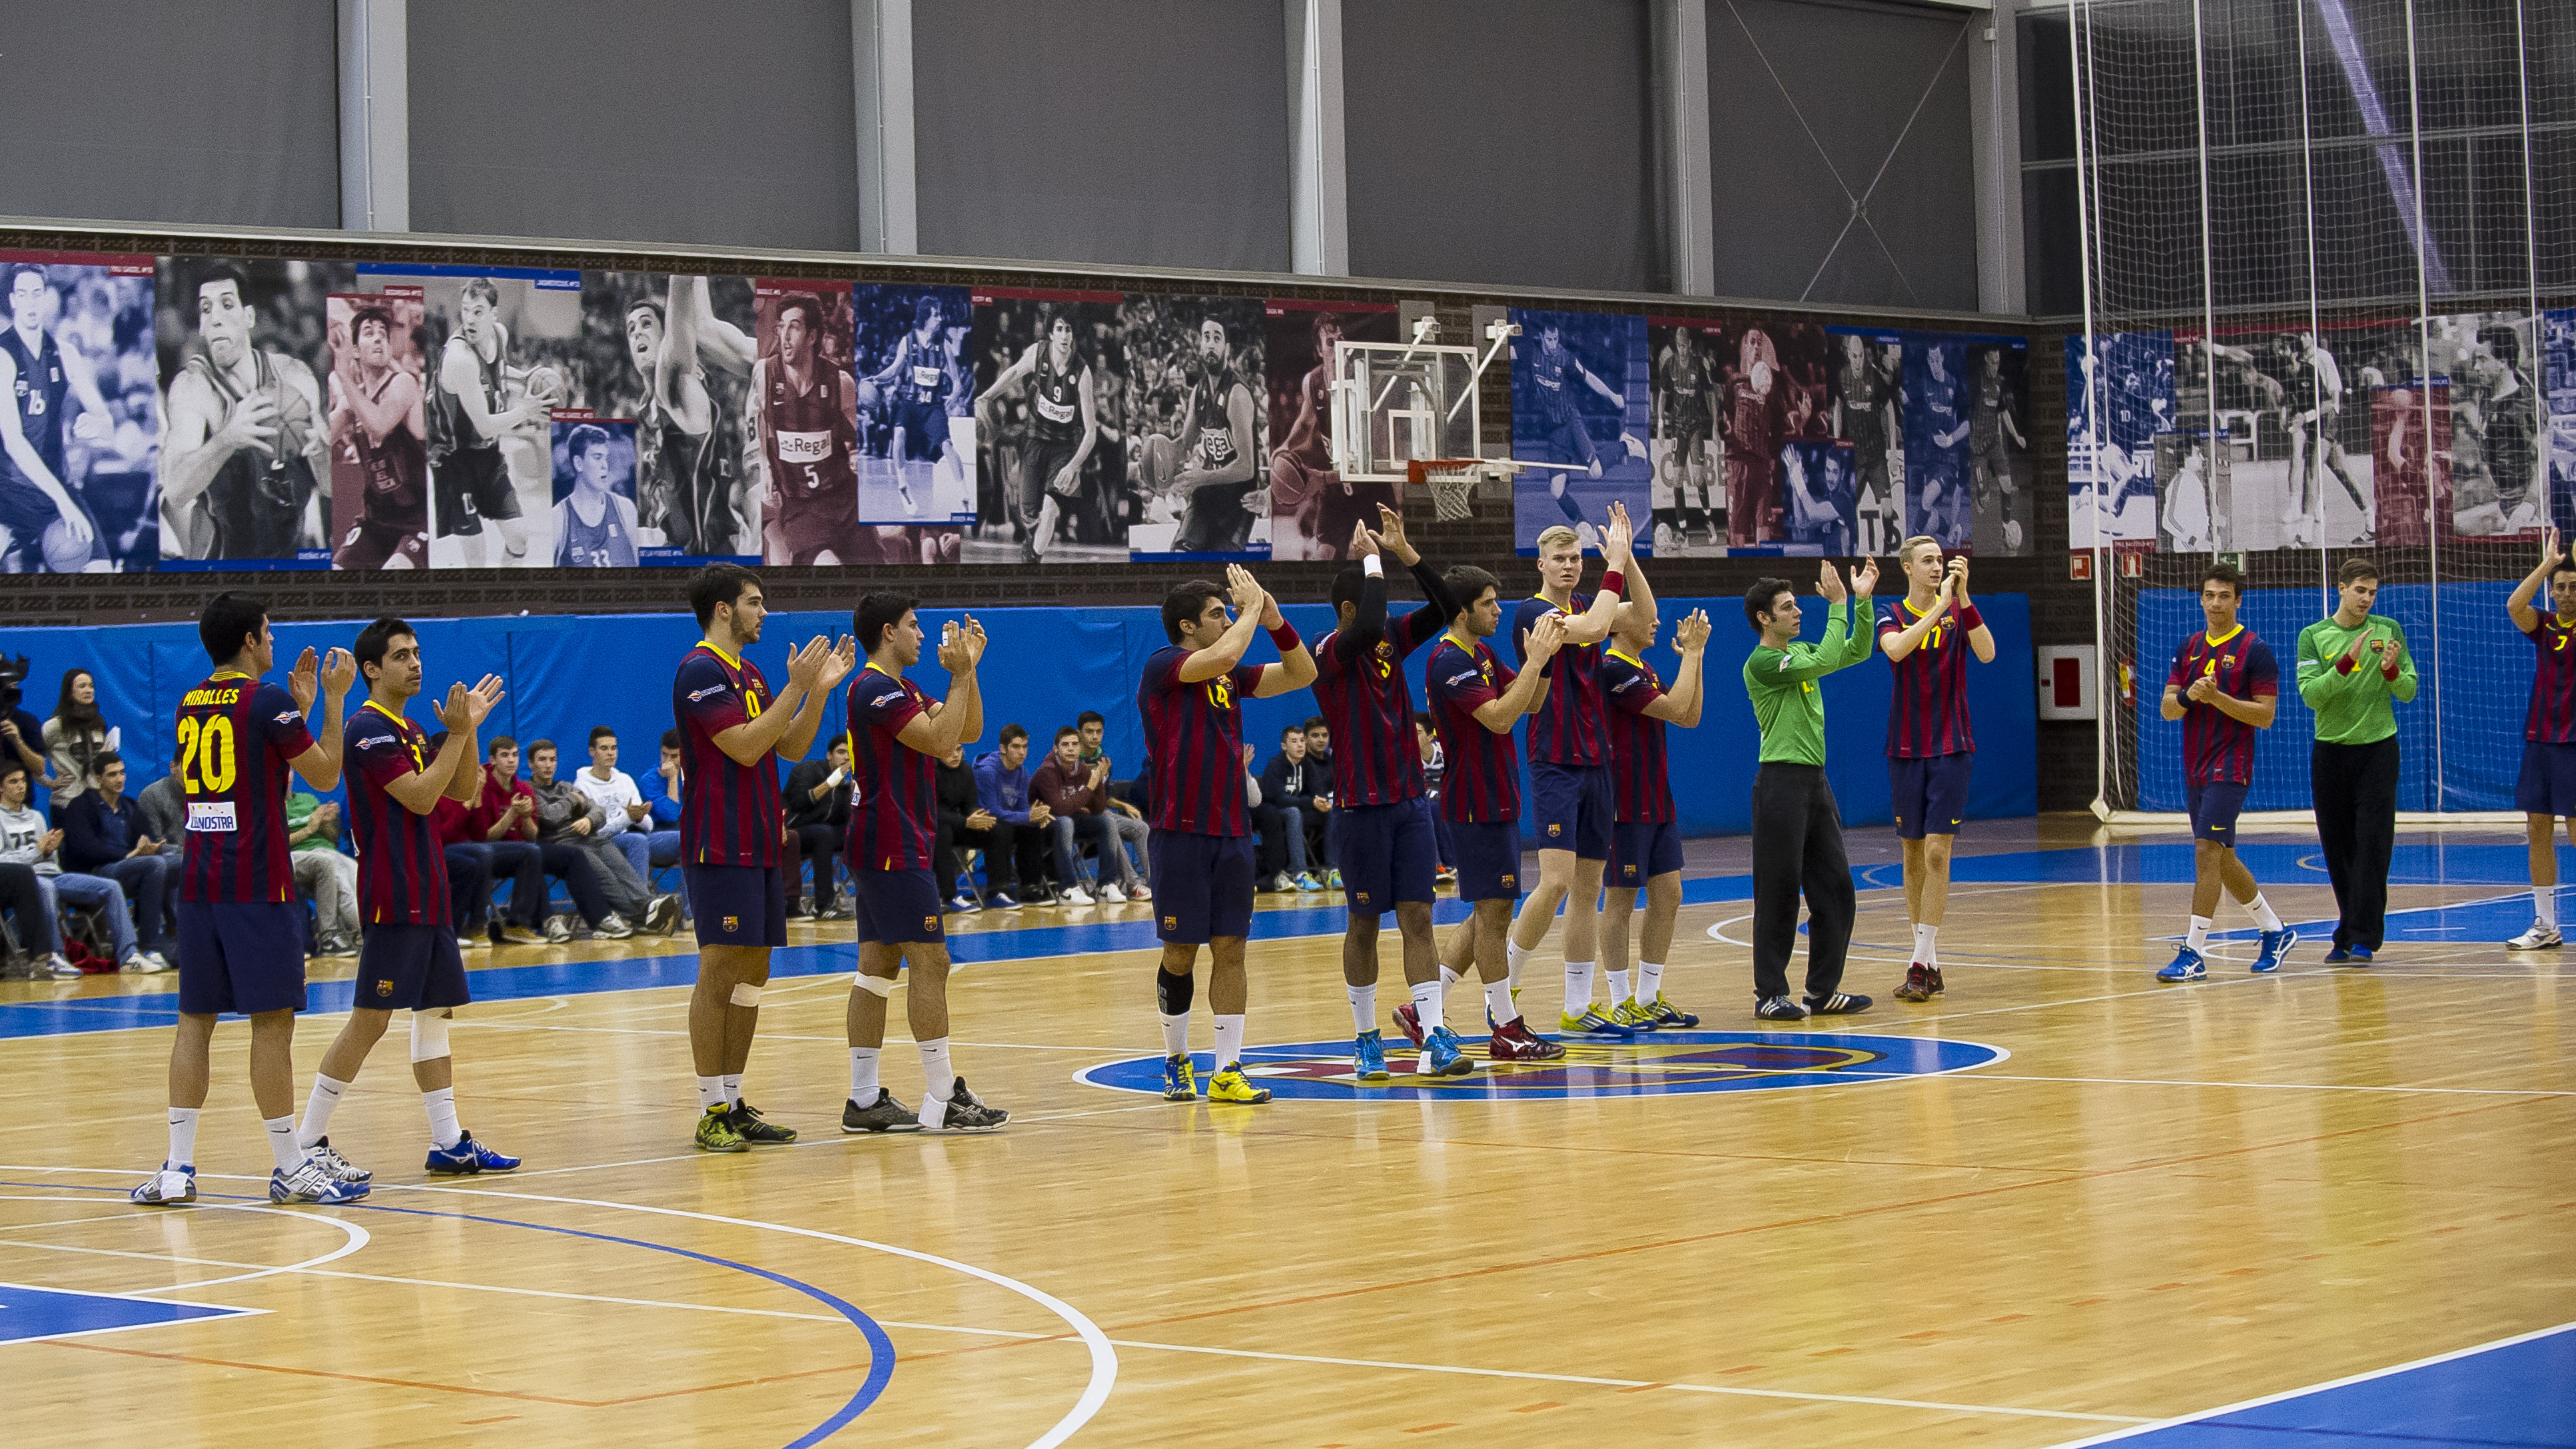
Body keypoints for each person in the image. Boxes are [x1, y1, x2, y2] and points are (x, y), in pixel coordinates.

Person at [134, 592, 361, 1208]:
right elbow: (323, 775)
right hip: (256, 883)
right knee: (272, 1024)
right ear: (250, 640)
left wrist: (298, 710)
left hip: (200, 879)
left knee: (194, 1023)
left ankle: (178, 1167)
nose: (274, 641)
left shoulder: (191, 699)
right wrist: (335, 703)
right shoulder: (266, 699)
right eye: (268, 631)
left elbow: (201, 774)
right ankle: (290, 1166)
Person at [292, 618, 519, 1182]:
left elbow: (464, 792)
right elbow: (420, 799)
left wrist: (462, 731)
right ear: (372, 669)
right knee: (370, 1020)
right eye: (401, 656)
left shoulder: (414, 728)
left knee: (435, 1013)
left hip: (429, 887)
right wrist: (462, 736)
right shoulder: (368, 729)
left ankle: (448, 1141)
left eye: (417, 653)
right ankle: (307, 1142)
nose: (416, 663)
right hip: (395, 892)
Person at [672, 563, 854, 1152]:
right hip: (719, 840)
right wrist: (797, 687)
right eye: (754, 602)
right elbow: (746, 748)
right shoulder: (700, 670)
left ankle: (733, 1098)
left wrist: (819, 690)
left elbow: (790, 744)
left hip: (758, 840)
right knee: (721, 966)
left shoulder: (747, 671)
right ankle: (709, 1110)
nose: (764, 612)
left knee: (754, 971)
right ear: (724, 609)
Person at [1142, 565, 1318, 1103]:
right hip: (1180, 831)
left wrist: (1275, 618)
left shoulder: (1227, 674)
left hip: (1232, 830)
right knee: (1180, 951)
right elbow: (1220, 655)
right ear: (1187, 626)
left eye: (1226, 611)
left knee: (1232, 947)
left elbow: (1302, 673)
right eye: (1216, 613)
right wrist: (1246, 612)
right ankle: (1176, 1059)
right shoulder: (1165, 664)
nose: (1226, 620)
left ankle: (1227, 1069)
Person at [839, 592, 1009, 1133]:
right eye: (915, 626)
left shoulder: (903, 688)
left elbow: (969, 731)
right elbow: (940, 741)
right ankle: (942, 1097)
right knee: (931, 962)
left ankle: (864, 1099)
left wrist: (971, 672)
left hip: (895, 836)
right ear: (888, 632)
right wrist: (958, 676)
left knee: (878, 968)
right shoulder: (874, 687)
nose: (922, 634)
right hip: (890, 839)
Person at [1310, 507, 1467, 1078]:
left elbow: (1449, 609)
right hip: (1360, 809)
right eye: (1373, 599)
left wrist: (1406, 553)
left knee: (1419, 917)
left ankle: (1434, 1036)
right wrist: (1370, 558)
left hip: (1406, 805)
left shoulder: (1388, 643)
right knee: (1363, 925)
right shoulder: (1328, 651)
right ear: (1350, 610)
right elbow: (1373, 619)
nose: (1384, 612)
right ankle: (1365, 1036)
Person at [1412, 565, 1565, 1061]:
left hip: (1497, 794)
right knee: (1493, 915)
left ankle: (1423, 1009)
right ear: (1462, 611)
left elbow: (1534, 700)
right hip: (1474, 801)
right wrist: (1532, 661)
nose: (1499, 610)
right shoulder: (1447, 660)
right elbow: (1500, 718)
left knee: (1490, 912)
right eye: (1488, 603)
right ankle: (1505, 1025)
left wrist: (1540, 660)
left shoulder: (1482, 653)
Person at [1509, 508, 1639, 1039]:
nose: (1568, 566)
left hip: (1596, 761)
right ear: (1540, 564)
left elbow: (1640, 614)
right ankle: (1504, 989)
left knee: (1588, 888)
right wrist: (1613, 566)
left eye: (1575, 558)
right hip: (1555, 761)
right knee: (1557, 881)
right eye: (1559, 558)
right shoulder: (1531, 612)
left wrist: (1626, 560)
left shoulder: (1590, 600)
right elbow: (1593, 629)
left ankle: (1577, 1004)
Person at [1743, 562, 1879, 1021]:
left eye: (1797, 603)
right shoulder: (1762, 662)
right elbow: (1823, 659)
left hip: (1814, 783)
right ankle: (1769, 993)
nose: (1797, 611)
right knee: (1778, 890)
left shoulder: (1799, 650)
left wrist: (1860, 602)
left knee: (1838, 890)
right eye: (1787, 607)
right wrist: (1837, 605)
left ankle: (1821, 990)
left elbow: (1857, 651)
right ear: (1764, 618)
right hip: (1779, 782)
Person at [2156, 560, 2294, 981]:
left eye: (2224, 596)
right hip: (2194, 766)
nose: (2216, 603)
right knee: (2223, 856)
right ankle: (2275, 930)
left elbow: (2265, 716)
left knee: (2205, 851)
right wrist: (2193, 698)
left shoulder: (2255, 650)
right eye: (2209, 595)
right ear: (2201, 599)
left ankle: (2194, 951)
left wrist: (2218, 700)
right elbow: (2167, 709)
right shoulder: (2189, 647)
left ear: (2238, 601)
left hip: (2231, 765)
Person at [1877, 539, 1997, 1002]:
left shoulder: (1957, 610)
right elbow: (1896, 650)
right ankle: (1927, 960)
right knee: (1910, 854)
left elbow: (1985, 653)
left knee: (1935, 853)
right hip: (1905, 746)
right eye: (1926, 561)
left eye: (1940, 561)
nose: (1936, 567)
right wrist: (1939, 607)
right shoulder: (1892, 612)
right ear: (1907, 567)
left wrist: (1961, 600)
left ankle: (1919, 960)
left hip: (1951, 744)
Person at [1597, 600, 1713, 1030]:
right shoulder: (1613, 667)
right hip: (1623, 802)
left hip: (1657, 798)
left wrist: (1694, 663)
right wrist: (1694, 656)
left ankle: (1648, 996)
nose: (1656, 621)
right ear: (1618, 624)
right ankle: (1617, 998)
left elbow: (1689, 715)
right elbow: (1672, 706)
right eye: (1643, 615)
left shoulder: (1645, 668)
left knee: (1669, 894)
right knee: (1620, 899)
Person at [157, 265, 326, 562]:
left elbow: (329, 486)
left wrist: (324, 455)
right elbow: (175, 492)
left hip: (289, 565)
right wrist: (226, 440)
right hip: (221, 568)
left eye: (226, 304)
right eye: (206, 310)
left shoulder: (294, 377)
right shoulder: (193, 388)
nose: (216, 319)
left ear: (249, 317)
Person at [2300, 556, 2415, 962]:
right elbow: (2312, 695)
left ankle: (2363, 936)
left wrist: (2389, 671)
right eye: (2360, 590)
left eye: (2373, 592)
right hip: (2330, 752)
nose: (2366, 599)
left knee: (2373, 844)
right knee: (2338, 846)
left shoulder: (2388, 631)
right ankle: (2349, 928)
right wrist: (2346, 663)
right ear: (2342, 589)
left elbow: (2408, 690)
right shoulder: (2313, 636)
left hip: (2379, 750)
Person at [613, 276, 754, 558]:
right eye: (630, 330)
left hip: (707, 559)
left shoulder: (675, 385)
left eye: (646, 324)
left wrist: (681, 251)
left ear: (668, 337)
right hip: (685, 554)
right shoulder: (647, 406)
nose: (637, 333)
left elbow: (682, 298)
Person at [0, 260, 108, 571]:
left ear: (47, 297)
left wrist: (98, 423)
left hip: (56, 484)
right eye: (23, 294)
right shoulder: (4, 357)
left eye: (37, 293)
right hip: (8, 491)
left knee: (99, 570)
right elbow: (14, 442)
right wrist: (64, 502)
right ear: (13, 300)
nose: (31, 302)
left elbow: (105, 418)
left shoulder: (64, 353)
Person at [0, 759, 155, 973]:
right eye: (13, 782)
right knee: (46, 887)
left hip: (53, 874)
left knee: (110, 886)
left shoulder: (36, 816)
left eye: (23, 781)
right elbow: (4, 863)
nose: (21, 786)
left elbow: (50, 860)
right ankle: (55, 958)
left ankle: (129, 956)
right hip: (27, 881)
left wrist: (49, 849)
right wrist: (37, 851)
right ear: (1, 787)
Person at [429, 278, 544, 567]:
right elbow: (485, 426)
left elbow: (500, 372)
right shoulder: (460, 358)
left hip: (488, 455)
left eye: (478, 311)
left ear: (494, 315)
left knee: (519, 539)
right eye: (465, 310)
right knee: (477, 558)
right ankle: (481, 608)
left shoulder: (500, 335)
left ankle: (503, 600)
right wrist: (526, 411)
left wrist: (526, 378)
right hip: (453, 459)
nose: (469, 319)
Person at [751, 292, 864, 567]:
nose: (785, 336)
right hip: (801, 507)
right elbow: (758, 420)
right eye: (782, 327)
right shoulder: (765, 374)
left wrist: (857, 453)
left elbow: (859, 436)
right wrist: (765, 467)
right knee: (829, 566)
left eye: (794, 327)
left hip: (845, 500)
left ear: (813, 337)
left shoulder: (841, 383)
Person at [981, 310, 1099, 564]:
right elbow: (1013, 374)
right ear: (1050, 334)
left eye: (1069, 330)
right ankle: (1032, 537)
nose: (1065, 335)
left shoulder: (1083, 373)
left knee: (1050, 509)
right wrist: (987, 396)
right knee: (1029, 514)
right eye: (1060, 329)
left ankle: (1033, 560)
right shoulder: (1037, 353)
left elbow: (1091, 432)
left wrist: (1073, 465)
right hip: (1034, 438)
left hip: (1065, 447)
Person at [464, 736, 607, 943]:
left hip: (523, 851)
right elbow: (484, 837)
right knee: (531, 854)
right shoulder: (483, 786)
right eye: (505, 756)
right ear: (493, 760)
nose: (511, 761)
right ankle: (538, 921)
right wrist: (512, 814)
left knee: (571, 855)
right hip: (488, 852)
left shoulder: (524, 789)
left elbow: (532, 836)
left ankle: (602, 919)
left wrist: (524, 816)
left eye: (514, 755)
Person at [2507, 532, 2576, 950]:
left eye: (2573, 586)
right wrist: (2548, 565)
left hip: (2575, 742)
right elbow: (2515, 605)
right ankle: (2546, 925)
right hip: (2540, 740)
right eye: (2561, 588)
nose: (2566, 594)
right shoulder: (2546, 626)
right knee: (2538, 829)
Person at [527, 739, 673, 934]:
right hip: (562, 844)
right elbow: (550, 816)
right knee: (605, 876)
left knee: (621, 868)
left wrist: (588, 820)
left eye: (552, 760)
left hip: (591, 838)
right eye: (542, 760)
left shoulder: (564, 786)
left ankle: (648, 905)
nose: (548, 765)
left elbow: (598, 811)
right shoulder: (529, 790)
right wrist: (572, 801)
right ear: (530, 764)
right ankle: (640, 914)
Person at [326, 303, 430, 570]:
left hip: (416, 522)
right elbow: (319, 441)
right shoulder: (353, 401)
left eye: (383, 333)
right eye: (369, 333)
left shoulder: (403, 383)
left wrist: (342, 373)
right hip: (375, 522)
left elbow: (379, 425)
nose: (379, 338)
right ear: (356, 350)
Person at [1166, 316, 1262, 556]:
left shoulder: (1237, 394)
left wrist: (1200, 477)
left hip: (1237, 504)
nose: (1210, 344)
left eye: (1217, 338)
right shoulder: (1198, 392)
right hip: (1207, 497)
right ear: (1200, 347)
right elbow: (1183, 445)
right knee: (1180, 556)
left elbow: (1247, 468)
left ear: (1226, 349)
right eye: (1206, 338)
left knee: (1220, 571)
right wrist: (1159, 460)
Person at [58, 755, 169, 957]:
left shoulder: (129, 806)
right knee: (155, 864)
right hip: (97, 872)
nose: (120, 779)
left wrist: (152, 846)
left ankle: (175, 934)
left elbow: (148, 838)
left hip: (133, 868)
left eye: (122, 772)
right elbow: (86, 849)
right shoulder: (81, 806)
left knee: (178, 862)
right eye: (112, 775)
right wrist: (131, 854)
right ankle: (150, 944)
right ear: (98, 778)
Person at [1528, 318, 1625, 536]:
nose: (1553, 344)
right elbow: (1511, 353)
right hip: (1553, 434)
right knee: (1556, 491)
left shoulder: (1565, 358)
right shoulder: (1531, 353)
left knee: (1597, 472)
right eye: (1550, 339)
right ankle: (1583, 523)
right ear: (1542, 338)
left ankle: (1625, 446)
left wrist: (1612, 395)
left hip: (1571, 424)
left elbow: (1589, 378)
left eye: (1556, 339)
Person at [1030, 726, 1129, 903]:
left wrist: (1098, 780)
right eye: (1065, 745)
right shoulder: (1047, 771)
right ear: (1056, 749)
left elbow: (1098, 808)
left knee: (1106, 820)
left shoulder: (1082, 769)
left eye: (1075, 744)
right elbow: (1060, 809)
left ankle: (1106, 885)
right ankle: (1067, 889)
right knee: (1065, 821)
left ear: (1080, 747)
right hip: (1040, 828)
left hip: (1070, 823)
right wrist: (1091, 785)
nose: (1071, 748)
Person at [973, 725, 1055, 905]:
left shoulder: (1021, 772)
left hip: (1005, 823)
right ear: (1003, 748)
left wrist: (1036, 815)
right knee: (1003, 829)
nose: (1022, 752)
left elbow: (1022, 808)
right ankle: (997, 892)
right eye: (1016, 747)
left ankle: (1029, 888)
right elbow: (992, 812)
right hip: (979, 825)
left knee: (1034, 829)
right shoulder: (987, 771)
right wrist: (1027, 817)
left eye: (1025, 747)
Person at [1074, 710, 1152, 895]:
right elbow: (1069, 799)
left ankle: (1154, 879)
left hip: (1100, 814)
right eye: (1089, 731)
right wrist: (1097, 809)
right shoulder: (1071, 760)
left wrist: (1122, 806)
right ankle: (1133, 885)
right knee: (1108, 824)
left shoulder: (1104, 761)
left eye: (1098, 731)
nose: (1094, 736)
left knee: (1141, 827)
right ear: (1079, 734)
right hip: (1078, 818)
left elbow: (1106, 797)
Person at [572, 726, 658, 885]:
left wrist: (639, 818)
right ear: (592, 752)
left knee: (681, 839)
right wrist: (627, 818)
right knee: (637, 840)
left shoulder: (625, 780)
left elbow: (649, 826)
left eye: (613, 748)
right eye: (604, 748)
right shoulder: (581, 786)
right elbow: (594, 836)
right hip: (601, 845)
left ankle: (693, 908)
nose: (611, 753)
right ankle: (642, 905)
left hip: (633, 840)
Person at [782, 736, 855, 919]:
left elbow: (843, 822)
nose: (846, 758)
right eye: (841, 752)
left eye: (850, 754)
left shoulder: (844, 788)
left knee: (861, 833)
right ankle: (823, 906)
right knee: (824, 833)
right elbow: (800, 802)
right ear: (829, 755)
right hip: (792, 833)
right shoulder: (808, 770)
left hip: (824, 837)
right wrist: (833, 780)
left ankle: (875, 897)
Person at [553, 422, 642, 568]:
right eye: (597, 457)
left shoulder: (625, 509)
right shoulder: (559, 517)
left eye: (606, 458)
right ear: (578, 463)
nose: (605, 465)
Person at [284, 788, 359, 957]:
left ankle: (361, 930)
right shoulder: (275, 806)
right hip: (293, 856)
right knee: (326, 864)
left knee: (352, 871)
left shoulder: (309, 799)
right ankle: (330, 936)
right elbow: (277, 843)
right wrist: (310, 828)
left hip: (325, 851)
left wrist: (327, 823)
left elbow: (332, 840)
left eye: (290, 771)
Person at [1259, 724, 1331, 892]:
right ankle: (1301, 874)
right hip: (1278, 813)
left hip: (1300, 810)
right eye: (1294, 741)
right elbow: (1278, 798)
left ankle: (1332, 870)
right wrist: (1311, 802)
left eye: (1302, 741)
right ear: (1284, 746)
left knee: (1330, 811)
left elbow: (1318, 790)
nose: (1300, 745)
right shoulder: (1275, 764)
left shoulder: (1307, 764)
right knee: (1293, 812)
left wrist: (1322, 801)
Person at [43, 668, 117, 809]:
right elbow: (35, 755)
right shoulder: (56, 725)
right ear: (70, 692)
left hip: (97, 802)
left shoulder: (98, 724)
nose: (89, 690)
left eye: (91, 686)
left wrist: (105, 756)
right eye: (82, 686)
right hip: (67, 802)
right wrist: (47, 781)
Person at [933, 743, 993, 911]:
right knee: (942, 833)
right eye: (949, 750)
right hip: (931, 827)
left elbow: (971, 804)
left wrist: (977, 816)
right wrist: (966, 821)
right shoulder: (930, 772)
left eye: (958, 750)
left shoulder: (966, 770)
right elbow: (932, 812)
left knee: (996, 829)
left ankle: (997, 892)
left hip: (957, 824)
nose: (955, 755)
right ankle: (949, 896)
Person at [636, 729, 686, 871]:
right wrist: (672, 778)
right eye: (665, 755)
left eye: (674, 756)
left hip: (688, 833)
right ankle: (691, 895)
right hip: (657, 838)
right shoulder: (649, 780)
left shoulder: (695, 775)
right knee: (688, 839)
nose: (668, 761)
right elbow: (671, 816)